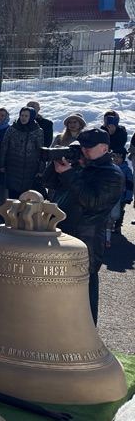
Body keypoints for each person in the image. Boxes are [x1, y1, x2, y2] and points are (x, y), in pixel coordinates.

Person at [52, 128, 124, 325]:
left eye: (88, 148)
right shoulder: (82, 166)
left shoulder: (112, 175)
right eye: (81, 147)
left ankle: (85, 341)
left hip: (86, 241)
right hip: (65, 235)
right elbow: (48, 182)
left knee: (82, 297)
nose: (83, 151)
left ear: (104, 148)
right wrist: (57, 162)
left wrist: (69, 174)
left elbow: (91, 201)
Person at [0, 106, 43, 199]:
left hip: (30, 169)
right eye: (22, 115)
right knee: (13, 197)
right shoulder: (12, 129)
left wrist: (41, 169)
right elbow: (4, 147)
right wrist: (1, 164)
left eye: (26, 116)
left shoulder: (37, 131)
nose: (23, 118)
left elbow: (41, 151)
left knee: (27, 198)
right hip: (13, 168)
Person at [106, 151, 132, 247]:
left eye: (118, 157)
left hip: (121, 197)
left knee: (118, 214)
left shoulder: (126, 170)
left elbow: (129, 185)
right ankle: (107, 239)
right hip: (109, 198)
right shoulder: (109, 168)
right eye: (113, 156)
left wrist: (128, 197)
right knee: (108, 218)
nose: (115, 159)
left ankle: (118, 225)